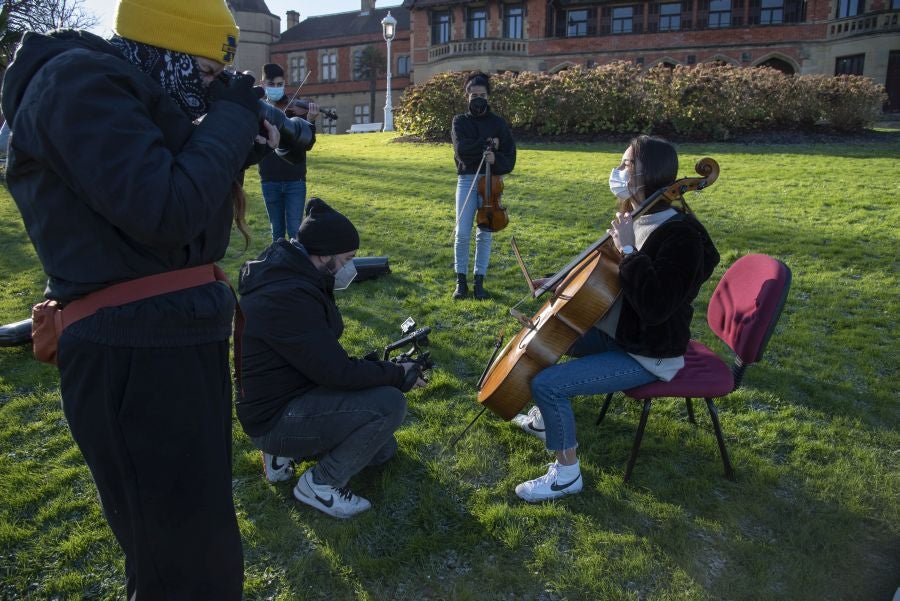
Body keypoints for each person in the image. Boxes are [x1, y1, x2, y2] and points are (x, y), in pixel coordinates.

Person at [0, 0, 279, 596]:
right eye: (203, 75)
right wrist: (229, 124)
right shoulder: (74, 83)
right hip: (134, 356)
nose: (208, 95)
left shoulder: (128, 96)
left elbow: (171, 204)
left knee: (198, 552)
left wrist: (237, 144)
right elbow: (164, 209)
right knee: (181, 569)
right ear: (160, 53)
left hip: (164, 344)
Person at [510, 136, 720, 502]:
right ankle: (547, 422)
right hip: (622, 331)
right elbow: (606, 273)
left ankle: (566, 475)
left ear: (647, 173)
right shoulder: (639, 215)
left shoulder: (682, 237)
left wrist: (627, 249)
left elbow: (656, 305)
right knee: (546, 338)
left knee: (548, 384)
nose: (618, 171)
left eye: (626, 165)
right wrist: (560, 280)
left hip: (649, 352)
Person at [236, 198, 426, 519]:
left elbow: (321, 360)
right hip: (275, 416)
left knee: (382, 450)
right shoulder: (287, 296)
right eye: (347, 258)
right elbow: (336, 372)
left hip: (289, 396)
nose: (350, 267)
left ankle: (281, 456)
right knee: (389, 406)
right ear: (324, 254)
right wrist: (395, 373)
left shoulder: (295, 272)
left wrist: (381, 368)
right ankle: (319, 485)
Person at [451, 72, 516, 300]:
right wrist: (488, 144)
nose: (478, 98)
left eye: (482, 94)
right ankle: (461, 283)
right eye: (473, 94)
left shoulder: (498, 123)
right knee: (462, 233)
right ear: (467, 96)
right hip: (468, 180)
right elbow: (462, 150)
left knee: (485, 233)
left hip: (490, 182)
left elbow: (510, 155)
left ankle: (479, 282)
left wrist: (494, 159)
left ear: (488, 96)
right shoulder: (460, 121)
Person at [258, 62, 318, 241]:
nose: (276, 89)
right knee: (276, 233)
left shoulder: (295, 110)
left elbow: (308, 143)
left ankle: (296, 267)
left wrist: (310, 120)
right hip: (269, 179)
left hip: (295, 179)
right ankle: (279, 267)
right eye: (272, 85)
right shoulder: (258, 111)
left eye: (279, 85)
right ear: (263, 84)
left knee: (295, 231)